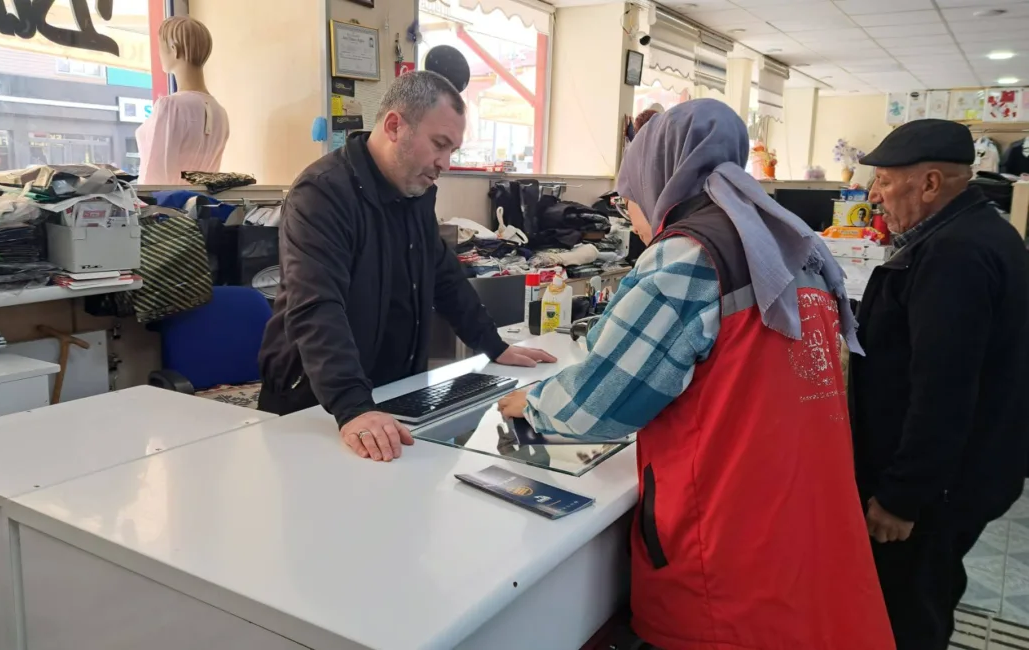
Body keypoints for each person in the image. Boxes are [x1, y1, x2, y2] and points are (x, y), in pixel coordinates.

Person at [499, 100, 894, 649]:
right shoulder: (788, 242)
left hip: (729, 553)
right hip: (808, 527)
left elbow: (598, 403)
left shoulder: (687, 254)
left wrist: (531, 404)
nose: (631, 216)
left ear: (657, 181)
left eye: (627, 198)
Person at [258, 71, 554, 462]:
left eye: (452, 150)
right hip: (317, 402)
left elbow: (443, 275)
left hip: (390, 395)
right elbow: (316, 306)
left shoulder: (417, 190)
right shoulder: (322, 194)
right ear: (395, 126)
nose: (444, 163)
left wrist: (492, 344)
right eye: (439, 144)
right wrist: (353, 405)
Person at [851, 119, 1029, 650]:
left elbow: (943, 391)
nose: (875, 195)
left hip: (938, 490)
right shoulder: (982, 232)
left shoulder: (955, 255)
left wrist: (903, 496)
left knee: (907, 612)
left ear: (930, 184)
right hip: (967, 475)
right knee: (929, 591)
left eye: (884, 180)